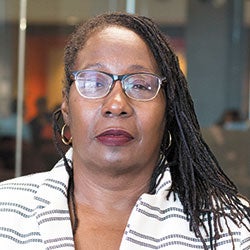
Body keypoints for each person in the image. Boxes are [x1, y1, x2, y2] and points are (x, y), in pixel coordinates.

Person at [0, 12, 249, 249]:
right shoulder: (6, 209)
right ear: (66, 105)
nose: (116, 105)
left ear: (168, 108)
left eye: (140, 85)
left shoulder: (230, 230)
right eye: (95, 82)